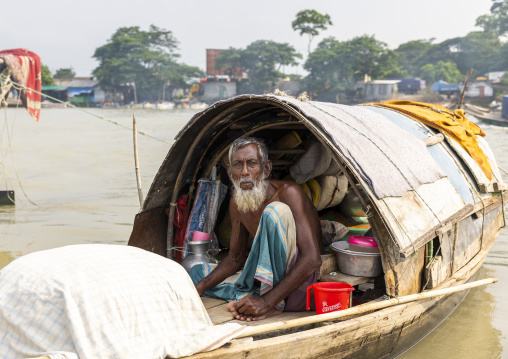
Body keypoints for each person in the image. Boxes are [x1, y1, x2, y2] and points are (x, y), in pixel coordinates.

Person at [193, 137, 323, 321]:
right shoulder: (237, 203)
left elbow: (312, 260)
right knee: (196, 272)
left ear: (266, 168)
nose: (245, 172)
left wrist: (265, 302)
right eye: (238, 165)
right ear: (230, 173)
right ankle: (249, 297)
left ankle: (268, 301)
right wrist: (197, 290)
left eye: (252, 164)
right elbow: (235, 258)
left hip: (301, 283)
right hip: (267, 278)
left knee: (274, 212)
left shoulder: (288, 193)